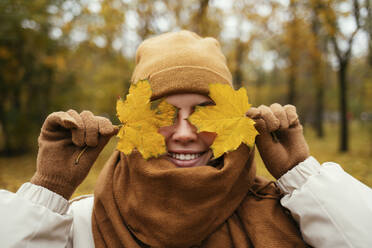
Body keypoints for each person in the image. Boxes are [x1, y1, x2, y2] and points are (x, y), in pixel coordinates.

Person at [1, 30, 372, 248]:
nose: (182, 134)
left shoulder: (292, 215)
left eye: (203, 112)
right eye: (161, 113)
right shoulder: (80, 225)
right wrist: (48, 192)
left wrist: (302, 175)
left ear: (234, 118)